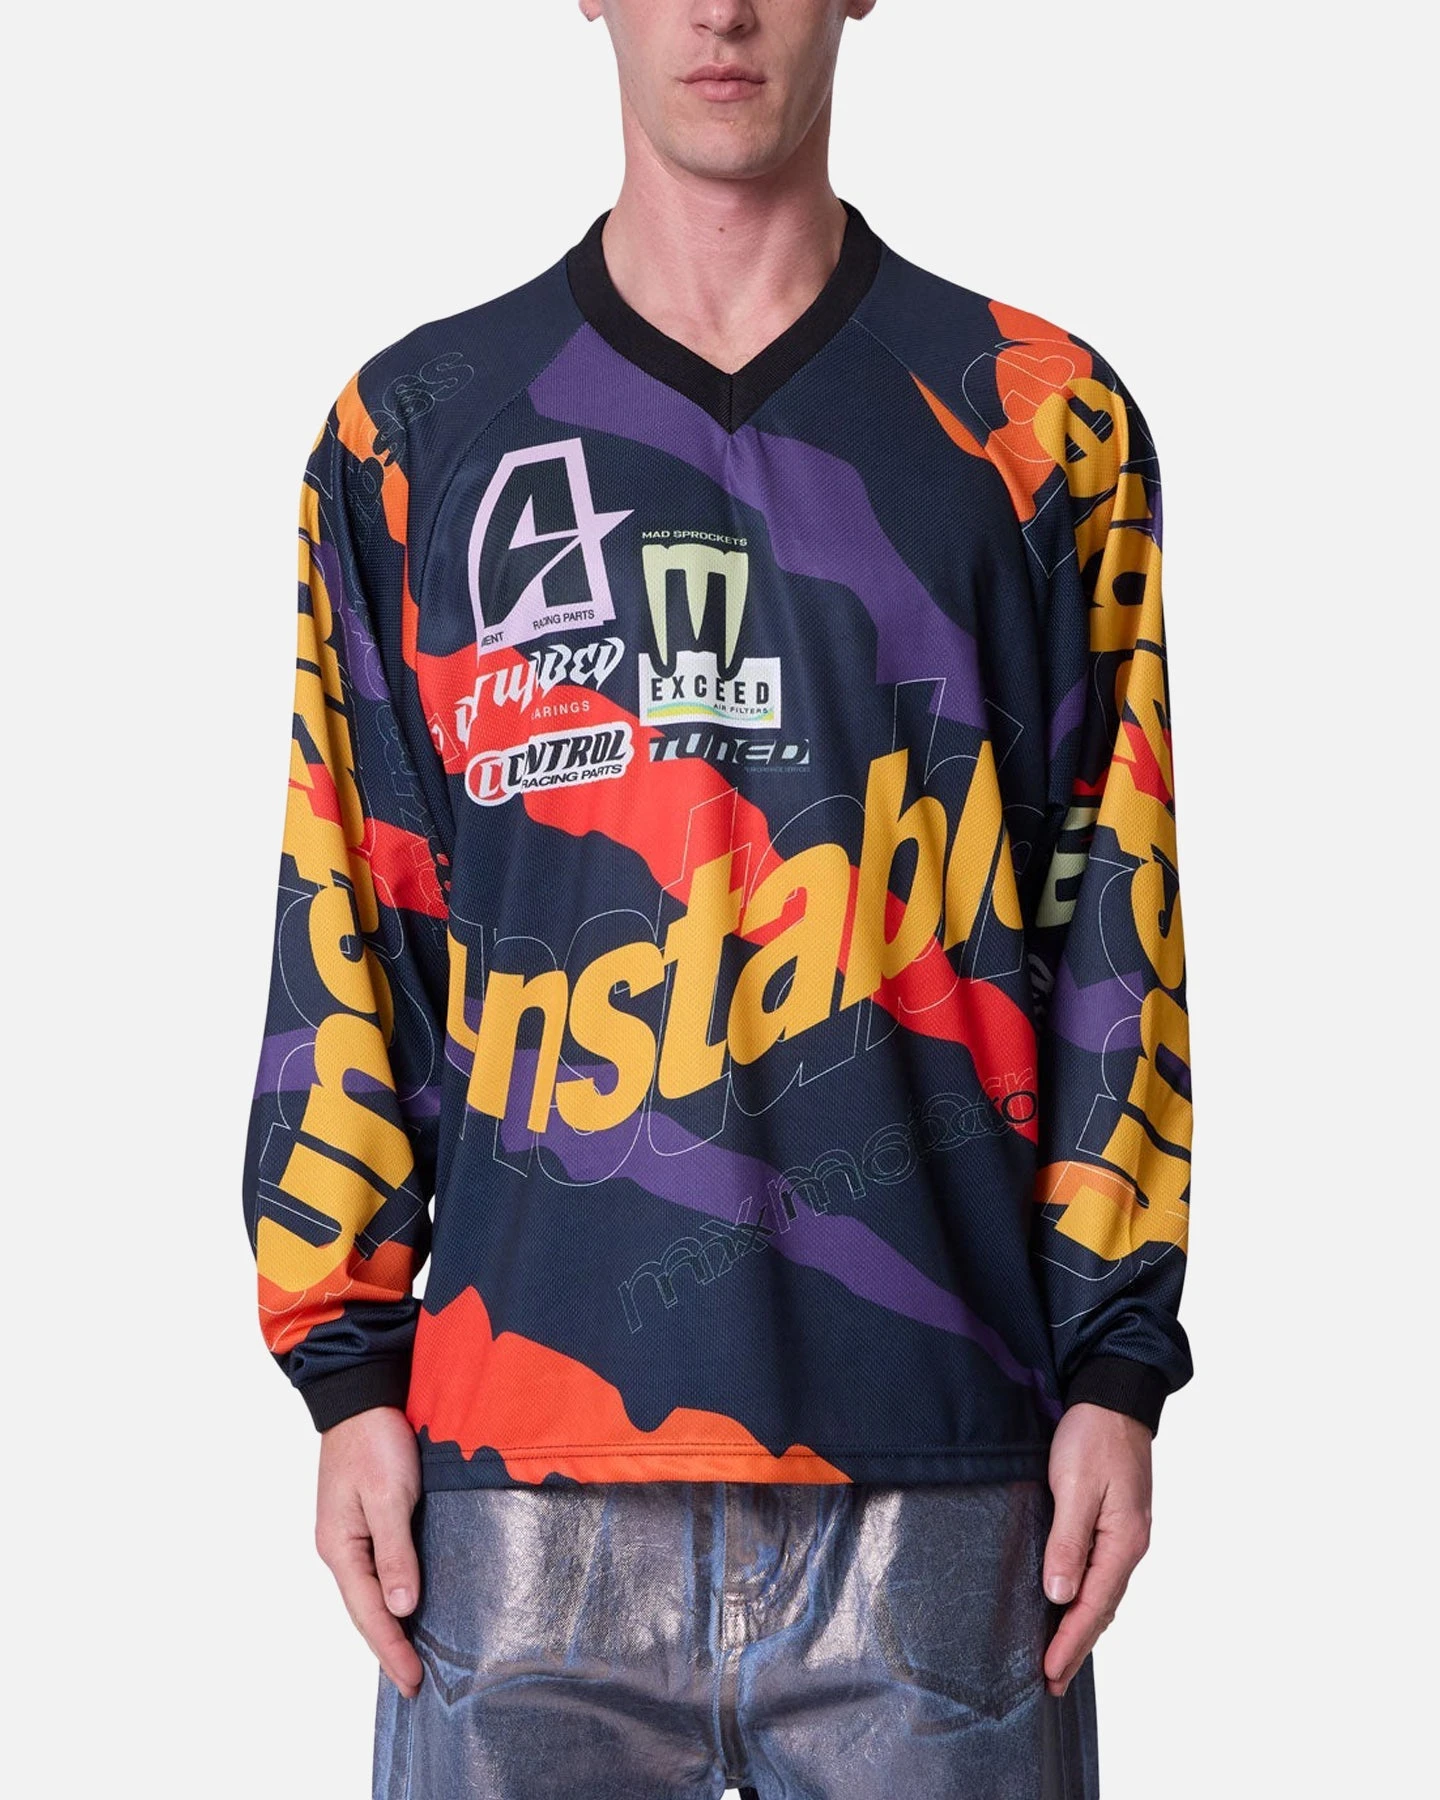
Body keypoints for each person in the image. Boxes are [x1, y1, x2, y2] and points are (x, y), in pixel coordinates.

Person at [241, 2, 1194, 1794]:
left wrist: (1116, 1366)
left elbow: (1112, 921)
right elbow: (349, 918)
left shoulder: (1039, 421)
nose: (723, 10)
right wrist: (347, 1368)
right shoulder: (412, 435)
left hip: (947, 1483)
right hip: (514, 1499)